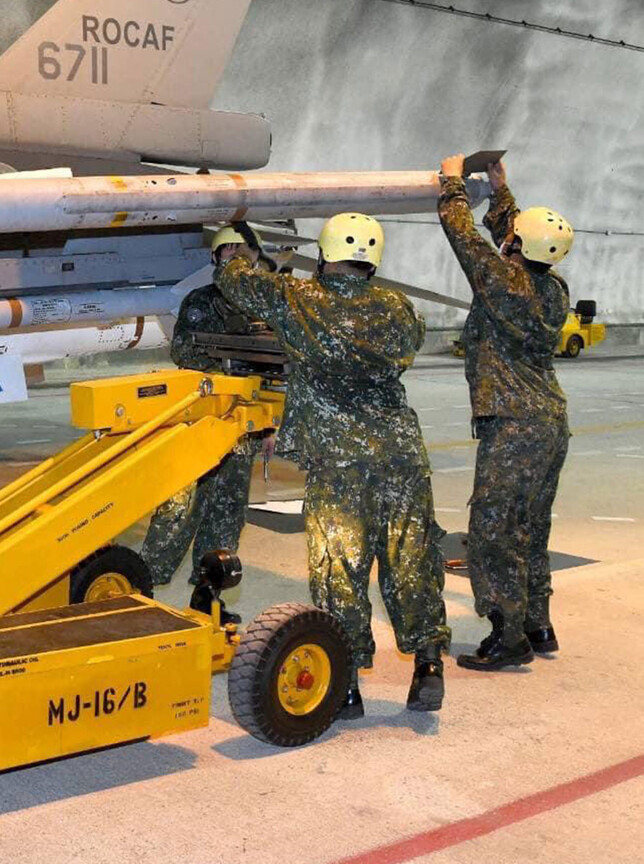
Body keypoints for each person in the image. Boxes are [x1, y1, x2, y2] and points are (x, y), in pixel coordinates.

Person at [216, 216, 449, 716]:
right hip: (401, 456)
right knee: (411, 559)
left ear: (323, 254)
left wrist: (237, 255)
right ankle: (429, 663)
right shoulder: (399, 307)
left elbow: (237, 282)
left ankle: (346, 685)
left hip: (339, 461)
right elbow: (410, 341)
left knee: (338, 567)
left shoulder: (299, 298)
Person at [437, 156, 573, 670]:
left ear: (516, 245)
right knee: (531, 525)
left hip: (513, 423)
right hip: (549, 421)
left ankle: (506, 635)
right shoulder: (553, 289)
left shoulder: (502, 282)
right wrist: (501, 192)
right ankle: (537, 623)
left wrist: (453, 184)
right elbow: (517, 243)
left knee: (494, 532)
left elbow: (464, 237)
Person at [139, 226, 271, 612]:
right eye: (227, 251)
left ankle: (208, 596)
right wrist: (229, 364)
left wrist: (270, 425)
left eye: (242, 251)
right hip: (201, 418)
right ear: (215, 259)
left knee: (227, 514)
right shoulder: (201, 301)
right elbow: (184, 351)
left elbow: (274, 370)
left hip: (243, 425)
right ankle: (144, 588)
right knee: (177, 509)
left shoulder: (266, 306)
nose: (236, 257)